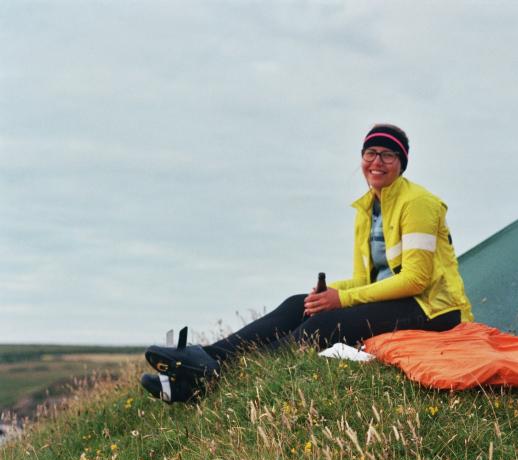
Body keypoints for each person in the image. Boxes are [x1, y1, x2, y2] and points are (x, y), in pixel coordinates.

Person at [141, 124, 473, 402]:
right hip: (394, 300)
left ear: (402, 163)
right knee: (298, 304)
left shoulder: (418, 203)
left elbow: (417, 278)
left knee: (322, 326)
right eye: (370, 153)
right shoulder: (368, 207)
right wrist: (327, 293)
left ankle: (220, 379)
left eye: (388, 154)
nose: (377, 161)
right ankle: (205, 361)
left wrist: (340, 299)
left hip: (431, 310)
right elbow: (364, 278)